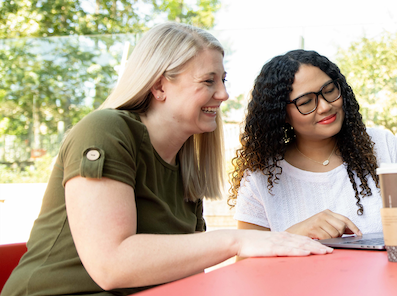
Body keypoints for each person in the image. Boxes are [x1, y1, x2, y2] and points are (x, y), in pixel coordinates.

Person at [1, 23, 330, 296]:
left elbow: (184, 272)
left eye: (223, 80)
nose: (224, 94)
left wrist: (283, 238)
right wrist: (237, 238)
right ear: (159, 86)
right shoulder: (104, 130)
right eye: (208, 81)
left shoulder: (186, 161)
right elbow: (111, 266)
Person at [229, 50, 397, 240]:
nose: (325, 106)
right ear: (282, 115)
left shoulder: (384, 145)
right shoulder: (262, 176)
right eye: (305, 102)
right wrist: (294, 235)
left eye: (329, 91)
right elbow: (246, 261)